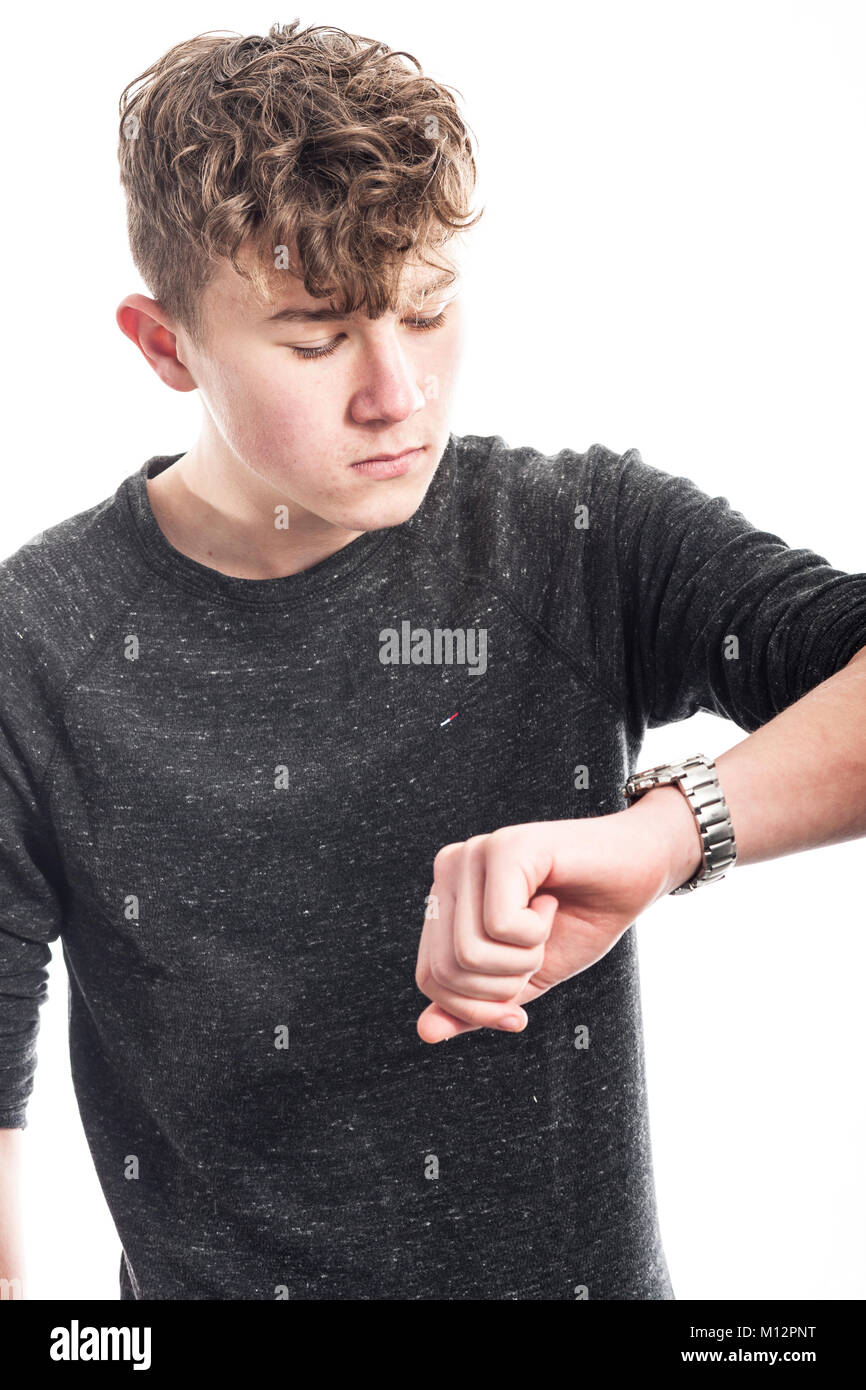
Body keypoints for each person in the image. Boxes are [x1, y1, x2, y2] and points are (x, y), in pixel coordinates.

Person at [1, 19, 865, 1302]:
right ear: (163, 344)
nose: (396, 392)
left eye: (425, 308)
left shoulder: (574, 539)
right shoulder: (35, 646)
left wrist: (668, 832)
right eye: (314, 337)